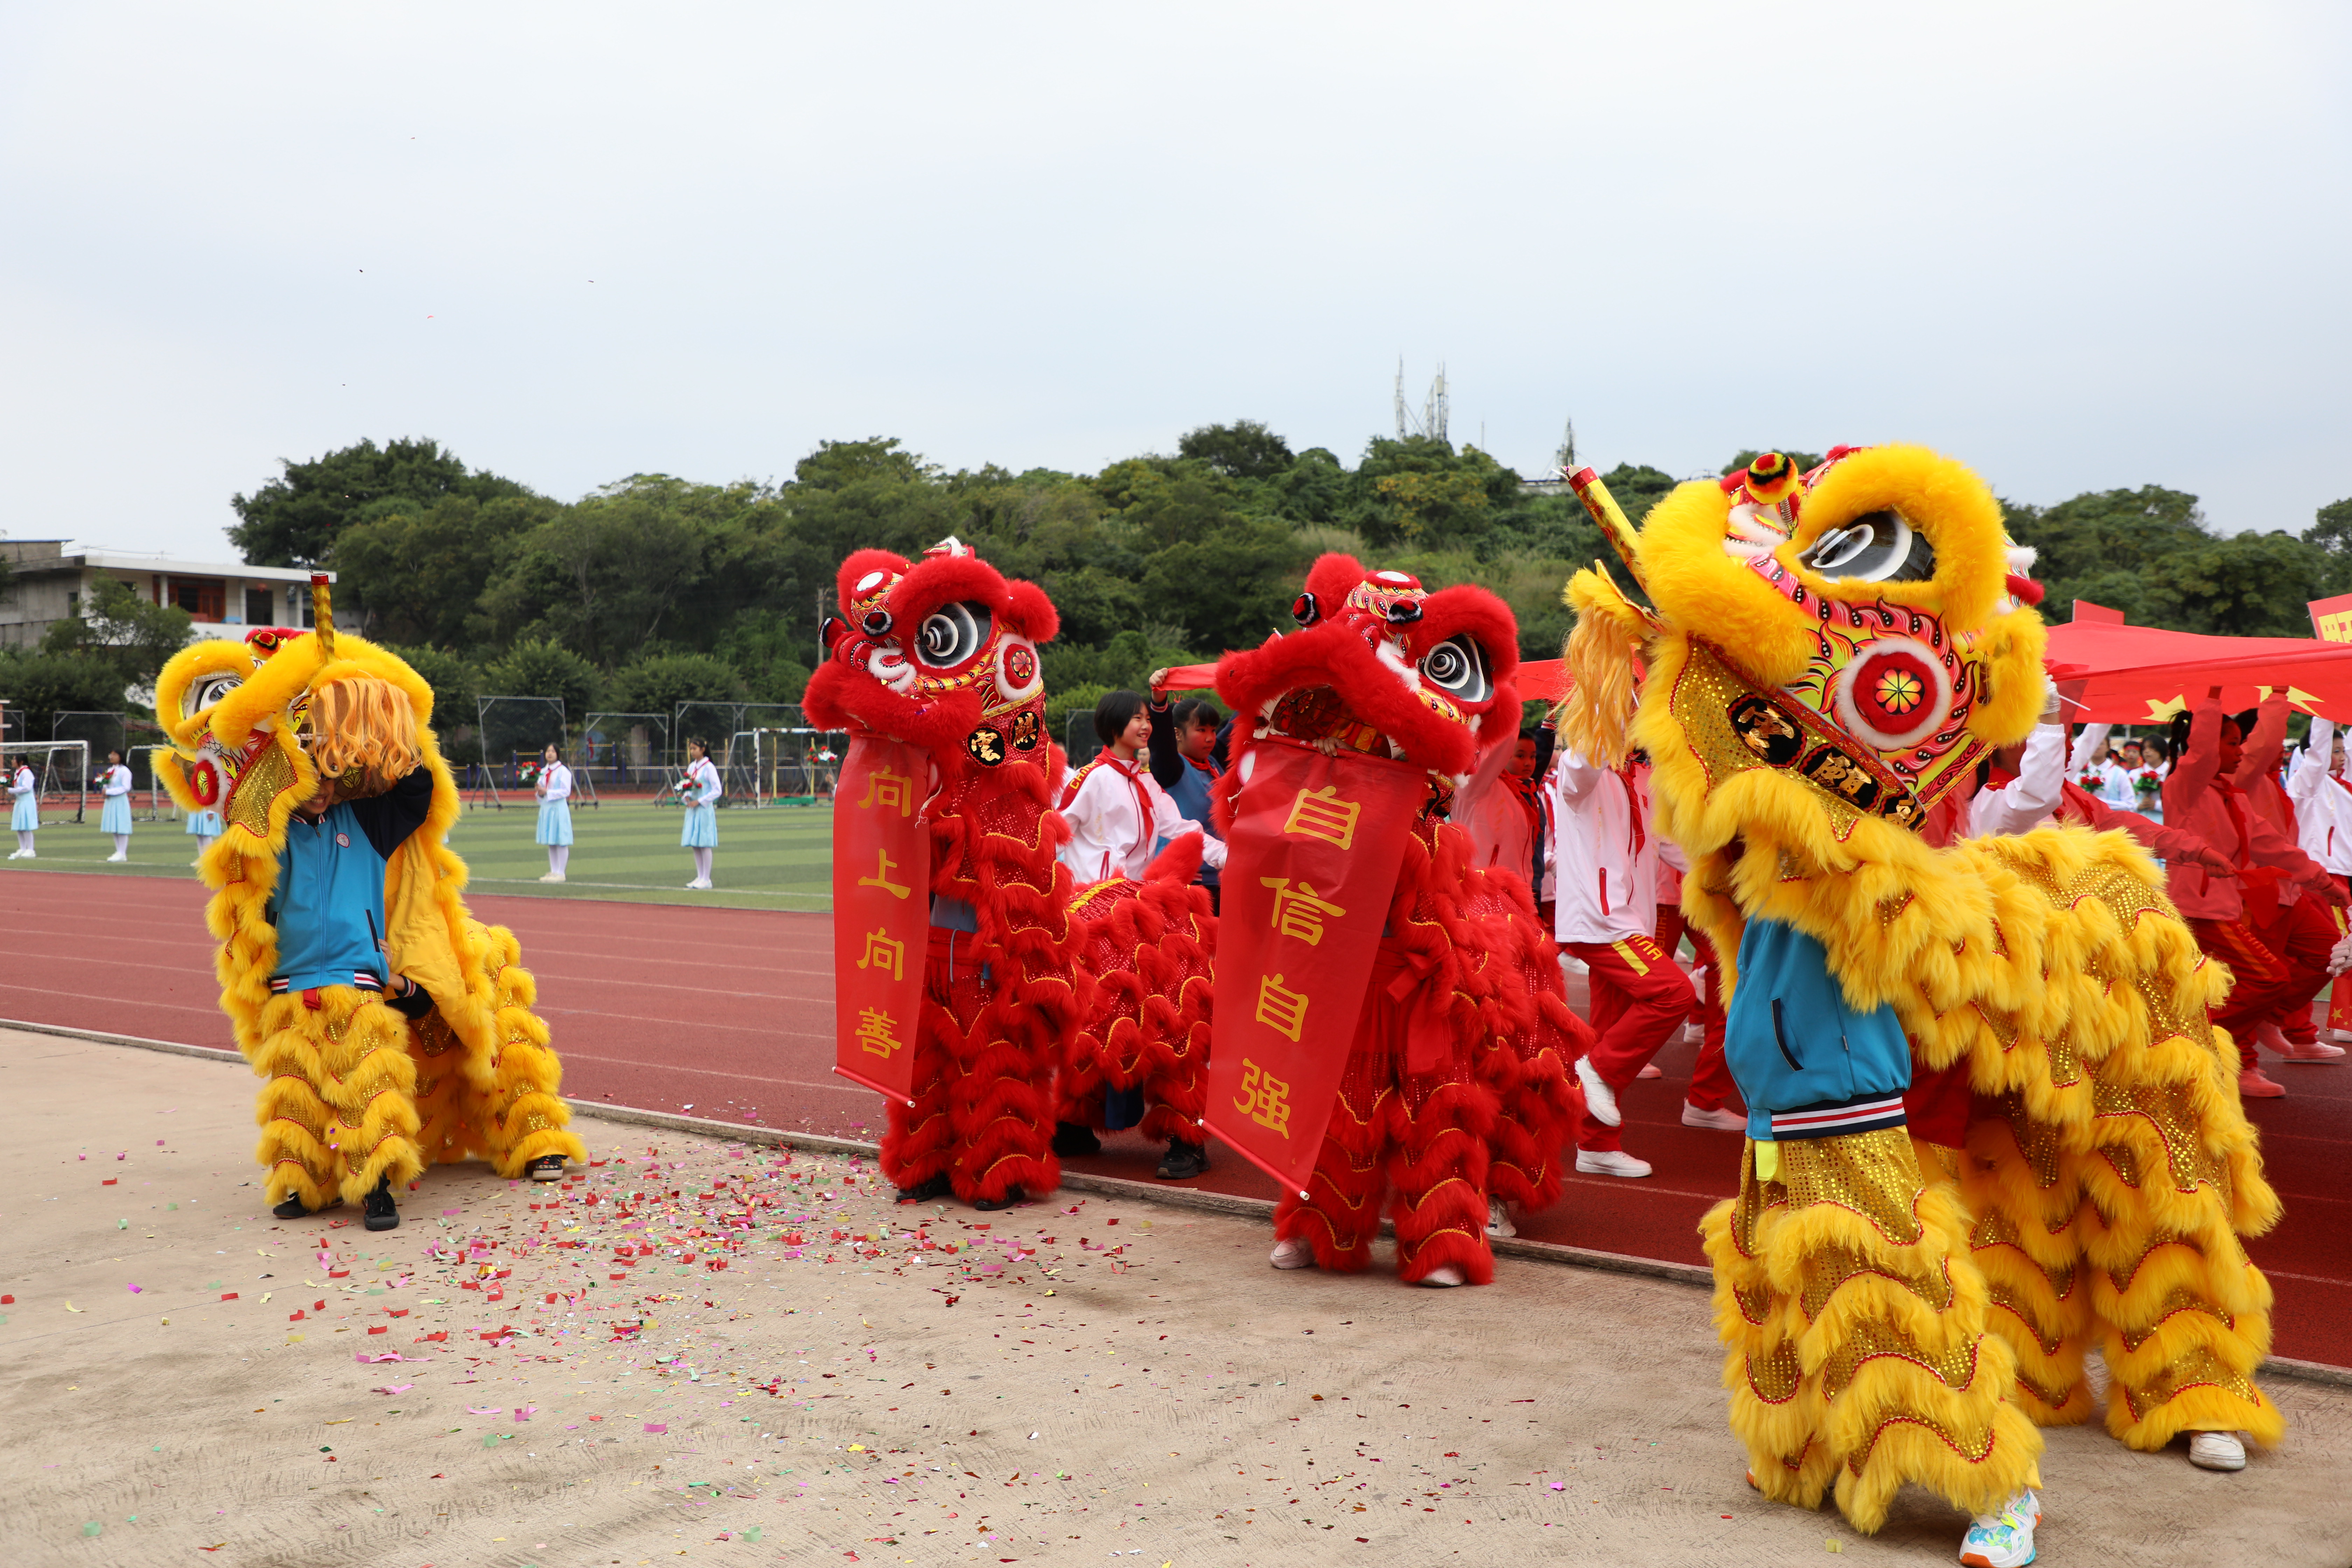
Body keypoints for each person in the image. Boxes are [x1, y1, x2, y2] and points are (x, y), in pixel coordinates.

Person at [2165, 693, 2345, 1098]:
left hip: (2229, 904)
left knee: (2271, 976)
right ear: (2209, 746)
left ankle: (2212, 1044)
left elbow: (2274, 846)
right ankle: (2206, 1047)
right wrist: (2215, 697)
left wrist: (2324, 884)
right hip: (2200, 908)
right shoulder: (2187, 785)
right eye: (2232, 743)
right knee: (2265, 977)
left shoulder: (2234, 796)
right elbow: (2240, 746)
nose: (2242, 751)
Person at [1547, 743, 1694, 1179]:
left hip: (1631, 922)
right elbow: (1582, 763)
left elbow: (1671, 847)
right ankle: (1594, 1070)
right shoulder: (1582, 768)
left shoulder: (1641, 778)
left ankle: (1596, 1145)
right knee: (1674, 993)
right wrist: (1604, 697)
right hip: (1601, 921)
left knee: (1611, 1032)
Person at [1057, 691, 1225, 886]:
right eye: (1138, 719)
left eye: (1148, 719)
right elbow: (1058, 835)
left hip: (1136, 897)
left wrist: (1225, 855)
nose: (1146, 726)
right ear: (1114, 725)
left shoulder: (1147, 783)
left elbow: (1182, 829)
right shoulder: (1091, 777)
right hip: (1092, 898)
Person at [2284, 715, 2352, 1055]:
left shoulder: (2345, 786)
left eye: (2343, 751)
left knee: (2337, 953)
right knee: (2328, 951)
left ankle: (2305, 1029)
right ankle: (2295, 1028)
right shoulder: (2306, 786)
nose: (2340, 756)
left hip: (2344, 876)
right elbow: (2319, 749)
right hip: (2318, 877)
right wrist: (2324, 707)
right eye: (2334, 750)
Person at [1143, 678, 1227, 913]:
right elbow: (1160, 740)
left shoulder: (1212, 762)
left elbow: (1238, 726)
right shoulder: (1170, 768)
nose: (1211, 738)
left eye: (1213, 730)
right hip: (1183, 882)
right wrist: (1159, 701)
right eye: (1201, 730)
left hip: (1219, 878)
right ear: (1177, 735)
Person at [676, 737, 721, 889]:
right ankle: (700, 877)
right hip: (693, 809)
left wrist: (700, 801)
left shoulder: (709, 767)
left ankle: (707, 879)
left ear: (703, 749)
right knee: (695, 843)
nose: (692, 751)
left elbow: (717, 790)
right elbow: (687, 785)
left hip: (703, 809)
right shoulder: (692, 767)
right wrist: (686, 796)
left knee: (704, 843)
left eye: (695, 749)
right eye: (691, 749)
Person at [533, 743, 574, 882]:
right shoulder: (543, 771)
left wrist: (548, 792)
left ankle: (561, 873)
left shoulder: (563, 771)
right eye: (548, 751)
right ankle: (554, 871)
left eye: (553, 751)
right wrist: (540, 792)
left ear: (558, 754)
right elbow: (541, 792)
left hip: (558, 809)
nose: (550, 754)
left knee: (561, 840)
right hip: (547, 808)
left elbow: (566, 791)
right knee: (551, 841)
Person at [99, 749, 133, 861]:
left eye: (114, 755)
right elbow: (106, 784)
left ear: (120, 757)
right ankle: (119, 851)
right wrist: (105, 790)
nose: (111, 757)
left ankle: (122, 853)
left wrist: (109, 792)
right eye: (111, 754)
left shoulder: (125, 771)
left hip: (120, 801)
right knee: (114, 826)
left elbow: (126, 787)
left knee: (121, 827)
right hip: (111, 801)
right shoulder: (110, 770)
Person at [8, 757, 38, 858]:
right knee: (19, 826)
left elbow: (27, 788)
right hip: (20, 801)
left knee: (26, 826)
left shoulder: (26, 772)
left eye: (14, 760)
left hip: (27, 802)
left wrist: (11, 790)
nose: (12, 761)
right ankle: (23, 848)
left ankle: (31, 849)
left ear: (21, 762)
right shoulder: (18, 772)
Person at [184, 798, 222, 864]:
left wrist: (211, 811)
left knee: (206, 834)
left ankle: (209, 859)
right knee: (199, 835)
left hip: (205, 808)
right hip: (197, 807)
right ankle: (202, 859)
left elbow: (210, 794)